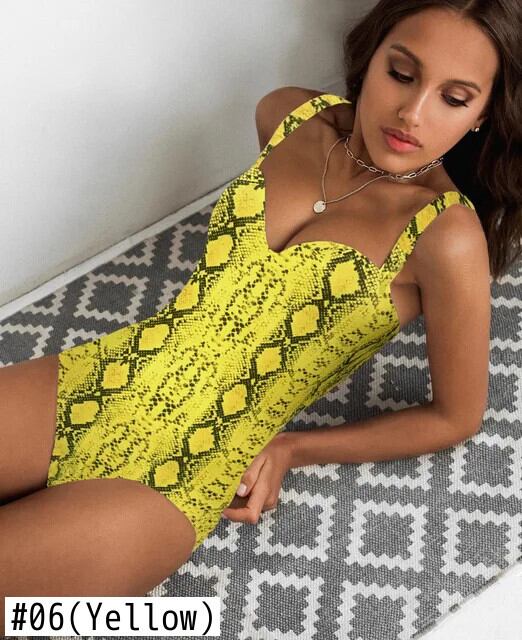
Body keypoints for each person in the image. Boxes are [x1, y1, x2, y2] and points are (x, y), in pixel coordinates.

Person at [1, 0, 520, 631]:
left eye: (454, 98)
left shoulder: (446, 236)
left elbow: (456, 416)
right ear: (372, 54)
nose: (413, 113)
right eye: (402, 74)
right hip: (103, 378)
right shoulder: (287, 115)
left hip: (179, 477)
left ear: (482, 113)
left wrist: (293, 448)